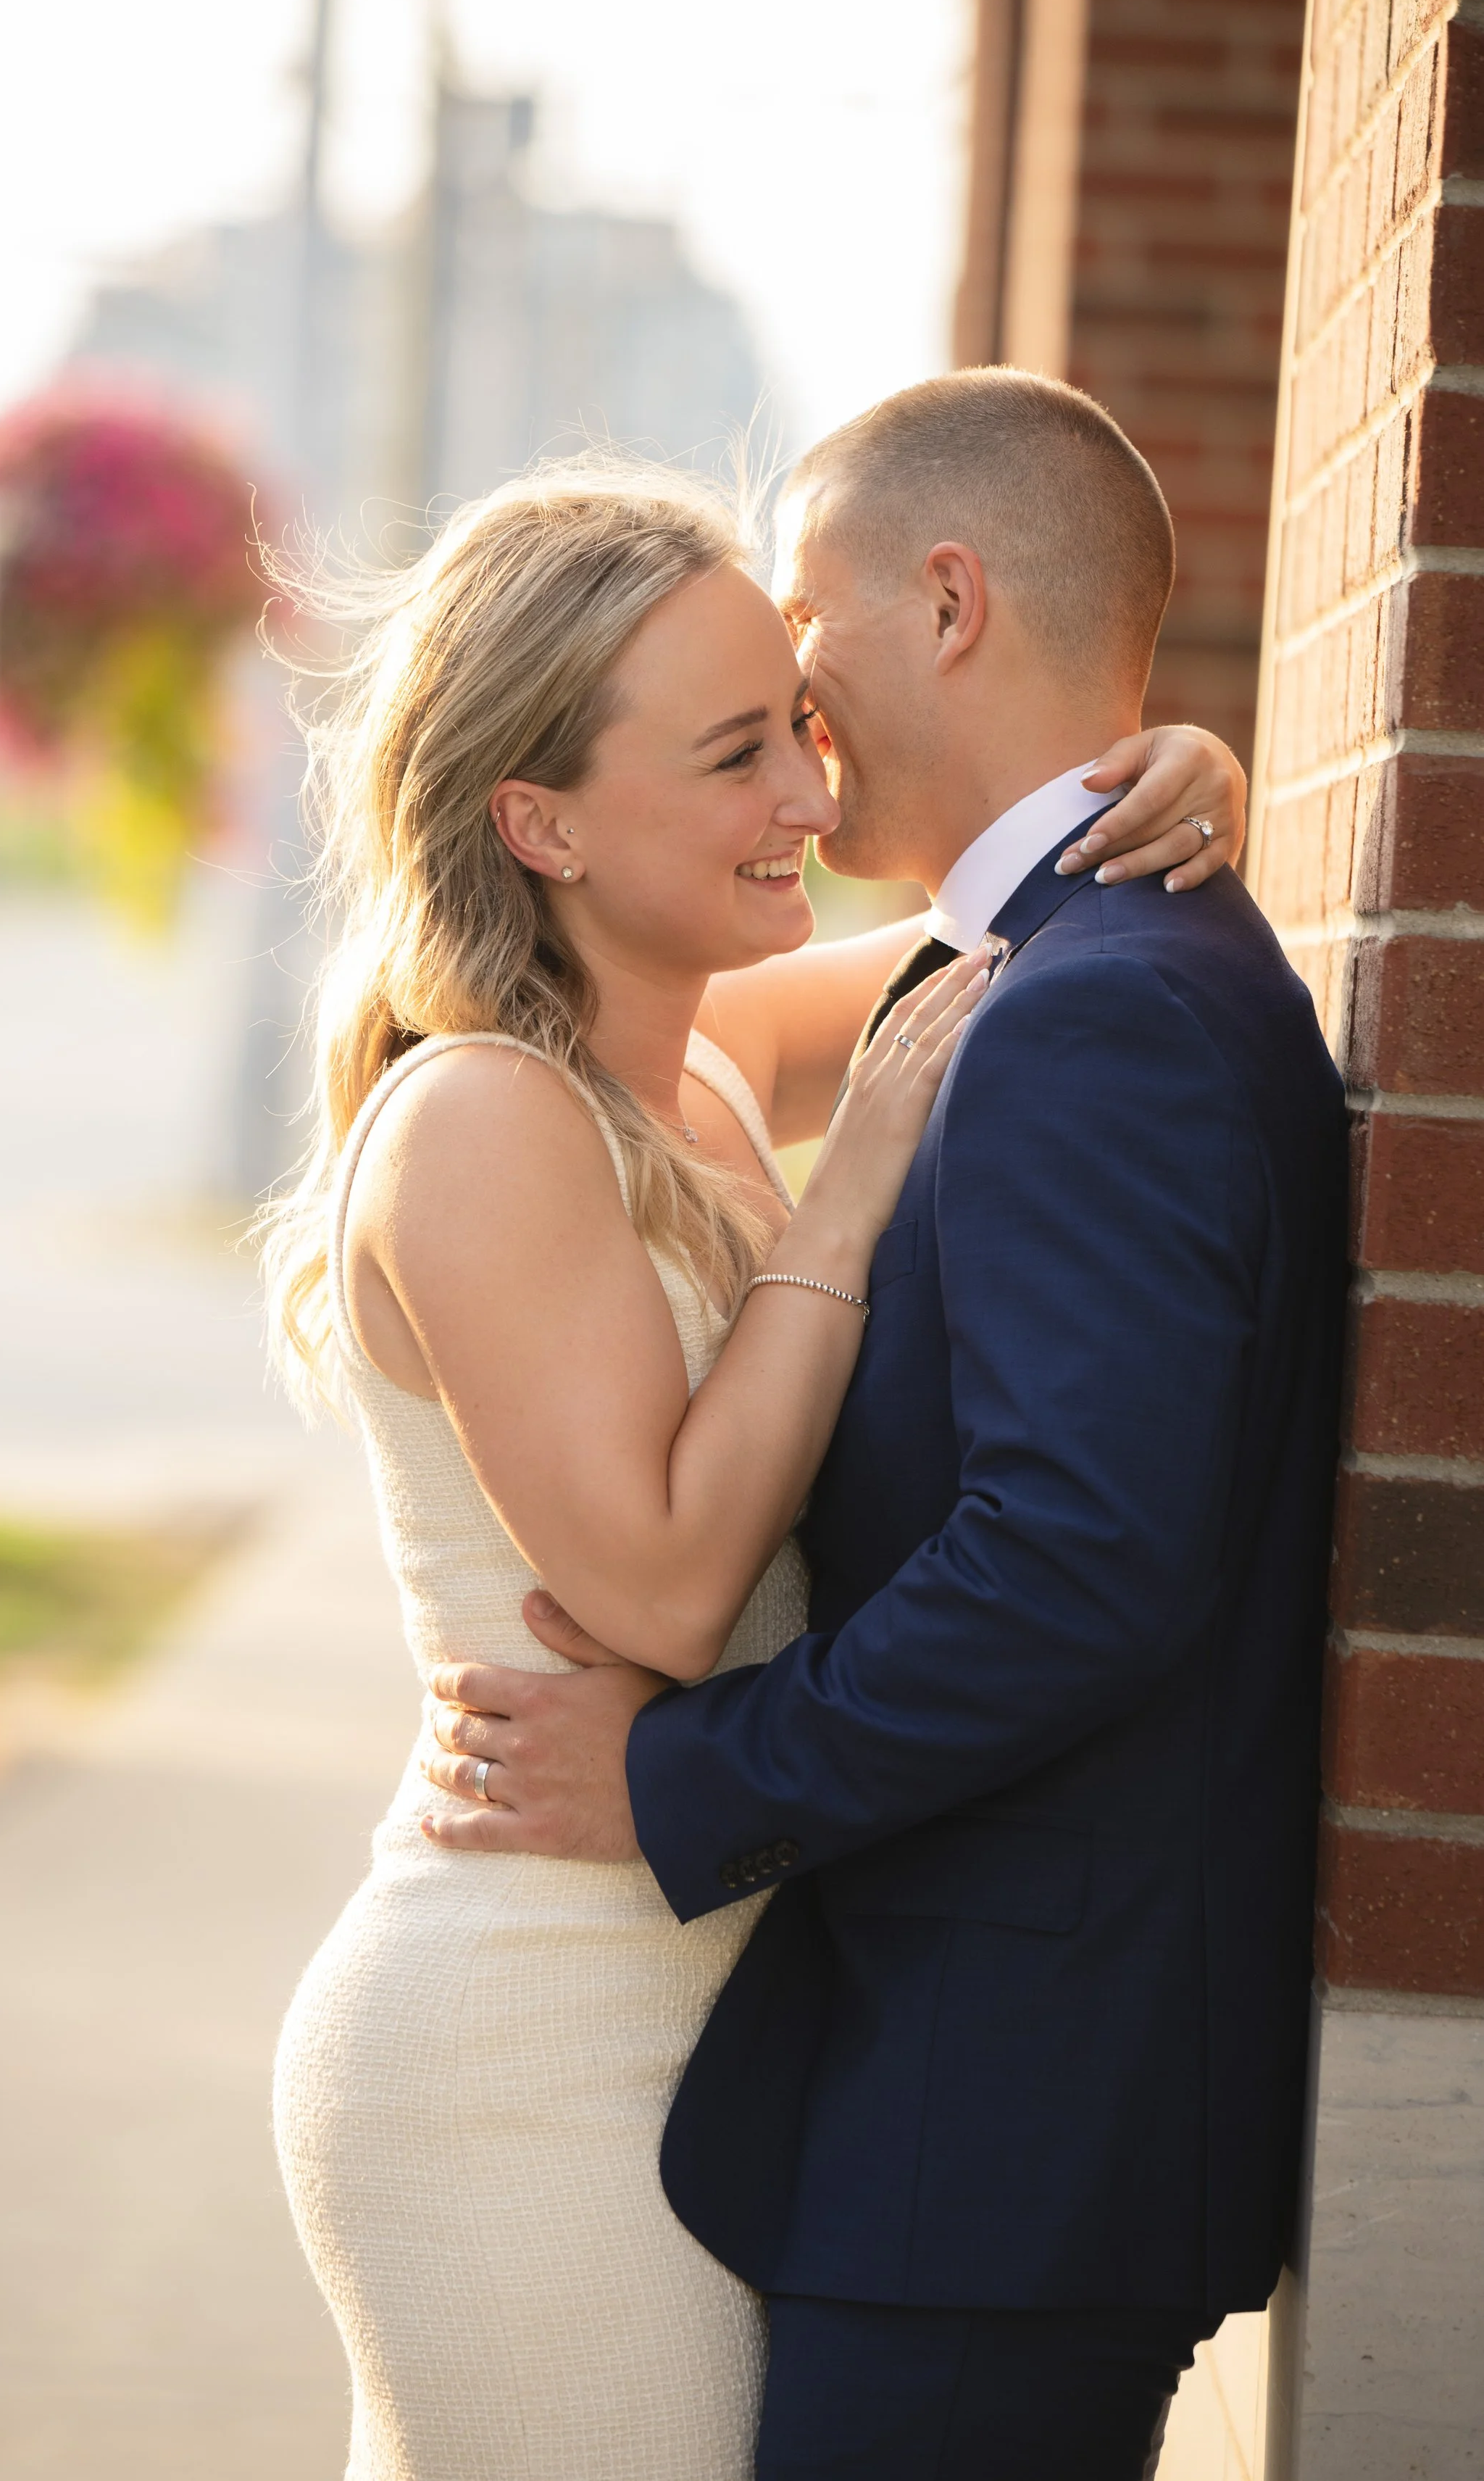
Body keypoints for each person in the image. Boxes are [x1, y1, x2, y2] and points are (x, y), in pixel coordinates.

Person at [263, 396, 1252, 2481]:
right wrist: (845, 1190)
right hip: (530, 2022)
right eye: (736, 753)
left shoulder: (692, 1064)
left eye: (797, 718)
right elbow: (660, 1584)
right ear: (540, 821)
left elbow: (1004, 936)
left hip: (710, 2024)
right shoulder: (480, 1122)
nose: (805, 787)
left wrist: (1164, 776)